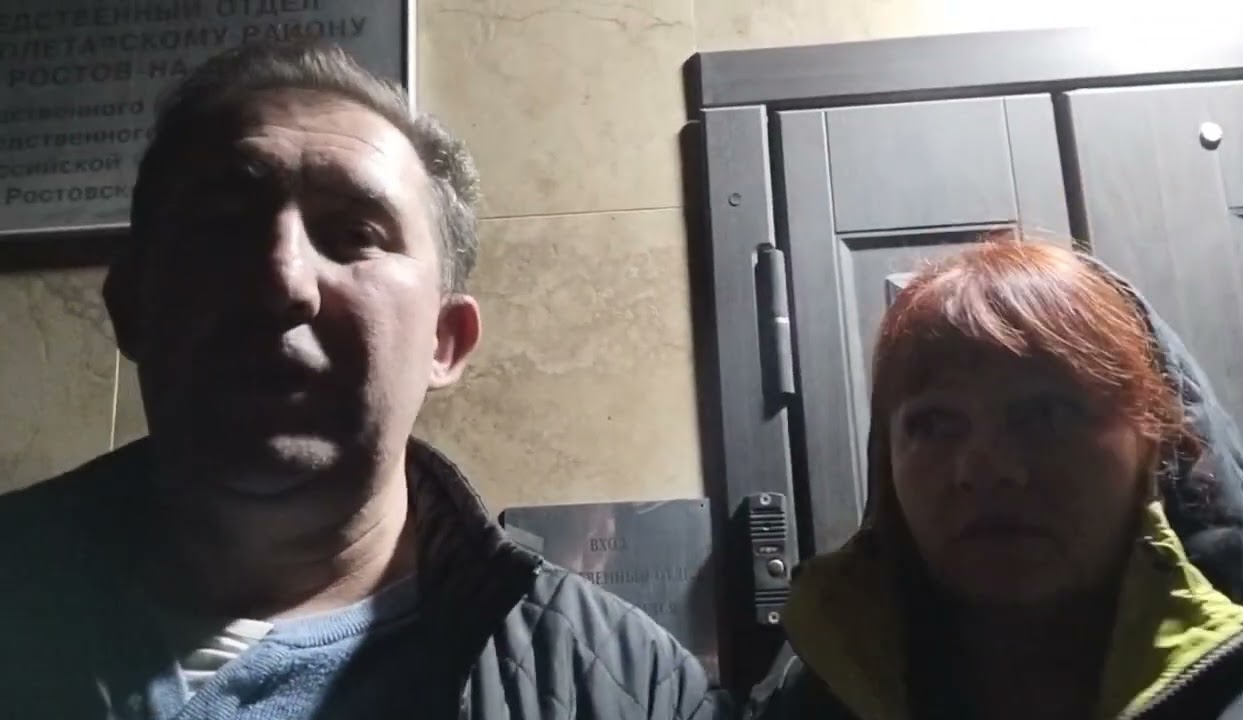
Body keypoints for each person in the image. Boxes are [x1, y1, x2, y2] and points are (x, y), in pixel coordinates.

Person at [0, 41, 727, 719]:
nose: (283, 280)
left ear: (445, 341)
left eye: (355, 235)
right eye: (223, 224)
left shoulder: (632, 685)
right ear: (132, 306)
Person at [747, 237, 1243, 720]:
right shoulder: (805, 704)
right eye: (933, 424)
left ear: (1156, 440)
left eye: (1047, 414)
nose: (986, 470)